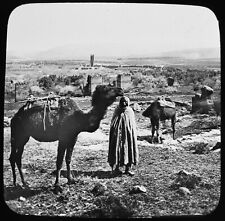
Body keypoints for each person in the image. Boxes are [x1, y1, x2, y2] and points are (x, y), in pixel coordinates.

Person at [108, 96, 139, 176]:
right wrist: (115, 130)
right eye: (123, 101)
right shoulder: (117, 110)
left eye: (126, 102)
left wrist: (130, 132)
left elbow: (132, 124)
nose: (124, 103)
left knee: (129, 148)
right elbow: (113, 123)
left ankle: (128, 169)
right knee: (117, 149)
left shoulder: (129, 111)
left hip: (128, 135)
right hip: (118, 135)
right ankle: (116, 169)